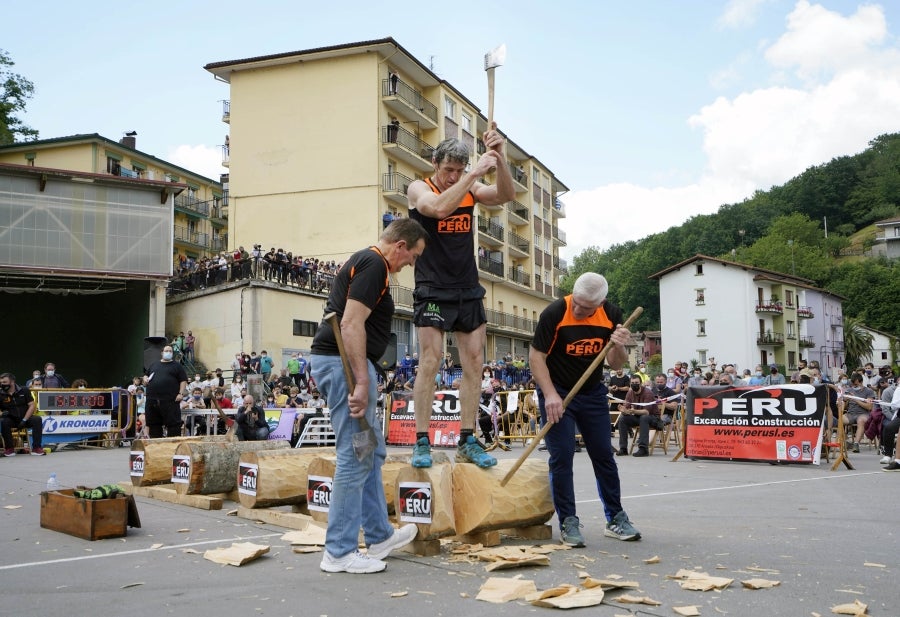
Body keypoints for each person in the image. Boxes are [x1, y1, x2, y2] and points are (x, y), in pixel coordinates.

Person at [309, 218, 426, 573]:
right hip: (344, 366)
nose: (410, 265)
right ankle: (339, 552)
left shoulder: (368, 263)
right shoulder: (375, 263)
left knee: (370, 451)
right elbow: (350, 323)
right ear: (400, 246)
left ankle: (378, 536)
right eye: (413, 256)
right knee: (354, 455)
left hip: (344, 365)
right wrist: (360, 381)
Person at [406, 122, 515, 469]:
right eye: (448, 170)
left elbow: (505, 196)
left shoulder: (471, 187)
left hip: (467, 286)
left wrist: (500, 157)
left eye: (459, 170)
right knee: (431, 360)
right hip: (431, 286)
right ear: (436, 166)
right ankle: (422, 440)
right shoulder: (417, 188)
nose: (454, 177)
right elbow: (438, 209)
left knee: (474, 363)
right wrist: (473, 176)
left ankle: (468, 438)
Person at [529, 272, 641, 548]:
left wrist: (618, 344)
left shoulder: (612, 314)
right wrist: (550, 394)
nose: (578, 310)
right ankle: (568, 521)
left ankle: (615, 517)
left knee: (604, 454)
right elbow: (536, 357)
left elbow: (615, 365)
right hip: (558, 392)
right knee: (562, 456)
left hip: (591, 393)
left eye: (586, 308)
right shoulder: (555, 312)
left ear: (600, 303)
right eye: (576, 303)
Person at [143, 345, 188, 438]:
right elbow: (145, 376)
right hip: (153, 401)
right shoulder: (154, 365)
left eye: (170, 351)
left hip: (170, 400)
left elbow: (183, 380)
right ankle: (156, 447)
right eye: (166, 350)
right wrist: (145, 378)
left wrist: (180, 393)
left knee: (173, 426)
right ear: (162, 353)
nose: (168, 352)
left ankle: (173, 447)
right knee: (154, 425)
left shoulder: (177, 366)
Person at [0, 372, 45, 456]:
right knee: (4, 421)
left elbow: (32, 405)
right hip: (11, 419)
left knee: (37, 419)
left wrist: (24, 420)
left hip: (25, 418)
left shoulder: (24, 390)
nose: (2, 384)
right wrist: (2, 413)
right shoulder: (0, 393)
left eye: (5, 382)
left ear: (12, 382)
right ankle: (9, 449)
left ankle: (36, 448)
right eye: (1, 383)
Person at [616, 375, 659, 457]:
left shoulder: (648, 393)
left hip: (653, 418)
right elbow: (628, 409)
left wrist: (633, 411)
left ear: (641, 383)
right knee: (622, 418)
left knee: (644, 417)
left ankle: (643, 449)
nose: (634, 384)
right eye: (632, 383)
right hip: (638, 417)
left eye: (636, 383)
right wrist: (624, 411)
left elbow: (646, 412)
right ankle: (623, 449)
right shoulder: (629, 392)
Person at [843, 372, 875, 453]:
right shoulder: (849, 390)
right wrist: (846, 400)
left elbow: (869, 407)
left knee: (861, 421)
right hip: (850, 413)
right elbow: (845, 407)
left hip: (863, 413)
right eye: (853, 385)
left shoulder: (868, 391)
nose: (854, 386)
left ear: (860, 382)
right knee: (840, 419)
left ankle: (856, 444)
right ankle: (847, 441)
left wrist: (856, 400)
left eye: (856, 385)